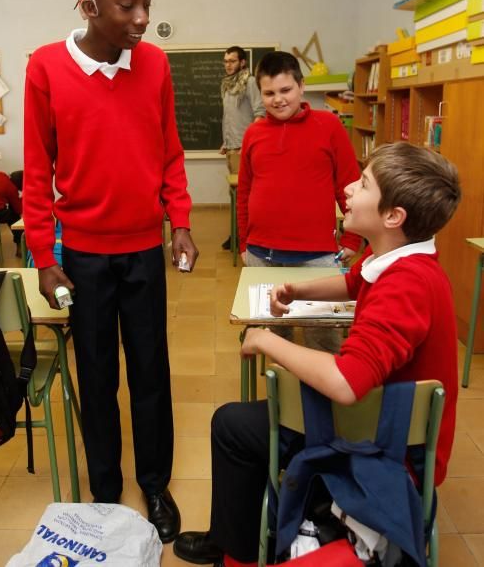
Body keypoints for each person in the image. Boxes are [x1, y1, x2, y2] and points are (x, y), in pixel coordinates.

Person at [173, 142, 461, 566]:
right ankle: (243, 531)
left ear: (393, 216)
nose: (347, 188)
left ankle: (237, 550)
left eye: (363, 184)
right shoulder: (398, 257)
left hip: (388, 446)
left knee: (233, 426)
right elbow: (353, 283)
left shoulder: (406, 286)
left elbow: (346, 382)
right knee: (248, 421)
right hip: (383, 423)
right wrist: (298, 290)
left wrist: (267, 339)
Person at [23, 0, 198, 543]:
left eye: (148, 2)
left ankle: (154, 482)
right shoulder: (45, 67)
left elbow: (170, 151)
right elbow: (37, 167)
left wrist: (181, 223)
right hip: (84, 258)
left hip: (144, 249)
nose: (143, 18)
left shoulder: (154, 66)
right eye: (129, 6)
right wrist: (45, 260)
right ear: (89, 4)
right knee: (96, 376)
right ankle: (104, 489)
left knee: (151, 370)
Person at [238, 51, 361, 270]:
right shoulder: (253, 133)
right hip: (260, 252)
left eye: (286, 90)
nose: (278, 99)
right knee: (261, 305)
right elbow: (244, 192)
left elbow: (350, 186)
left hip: (317, 254)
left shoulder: (329, 125)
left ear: (301, 86)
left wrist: (352, 238)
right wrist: (243, 243)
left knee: (320, 305)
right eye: (269, 93)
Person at [220, 45, 264, 250]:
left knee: (245, 197)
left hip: (244, 150)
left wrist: (247, 144)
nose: (228, 65)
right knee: (236, 196)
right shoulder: (228, 85)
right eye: (226, 61)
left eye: (232, 61)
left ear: (242, 62)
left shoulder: (250, 82)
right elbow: (232, 118)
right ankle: (238, 234)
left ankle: (245, 237)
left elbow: (259, 113)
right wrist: (226, 142)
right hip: (232, 148)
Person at [0, 169, 23, 259]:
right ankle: (20, 247)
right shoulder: (11, 188)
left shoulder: (0, 174)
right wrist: (23, 199)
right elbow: (18, 209)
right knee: (14, 215)